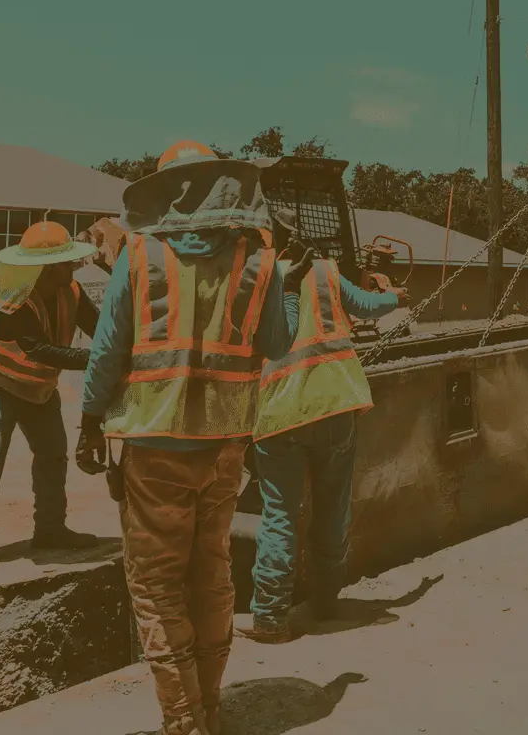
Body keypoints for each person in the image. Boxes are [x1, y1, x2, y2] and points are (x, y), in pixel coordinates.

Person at [75, 140, 290, 735]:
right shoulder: (257, 256)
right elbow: (277, 340)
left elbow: (108, 349)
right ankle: (212, 713)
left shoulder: (141, 253)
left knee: (157, 587)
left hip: (153, 447)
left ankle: (184, 723)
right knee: (212, 574)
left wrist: (88, 421)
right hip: (225, 445)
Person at [235, 229, 407, 645]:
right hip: (335, 402)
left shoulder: (253, 280)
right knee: (332, 508)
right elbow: (368, 305)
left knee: (280, 514)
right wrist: (398, 298)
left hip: (281, 411)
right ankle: (326, 601)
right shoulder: (326, 271)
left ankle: (271, 616)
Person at [0, 220, 101, 573]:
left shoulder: (72, 292)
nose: (74, 267)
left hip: (37, 389)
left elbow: (101, 329)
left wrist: (122, 345)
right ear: (46, 268)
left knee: (52, 457)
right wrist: (102, 358)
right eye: (66, 262)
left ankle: (50, 531)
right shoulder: (13, 303)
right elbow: (41, 350)